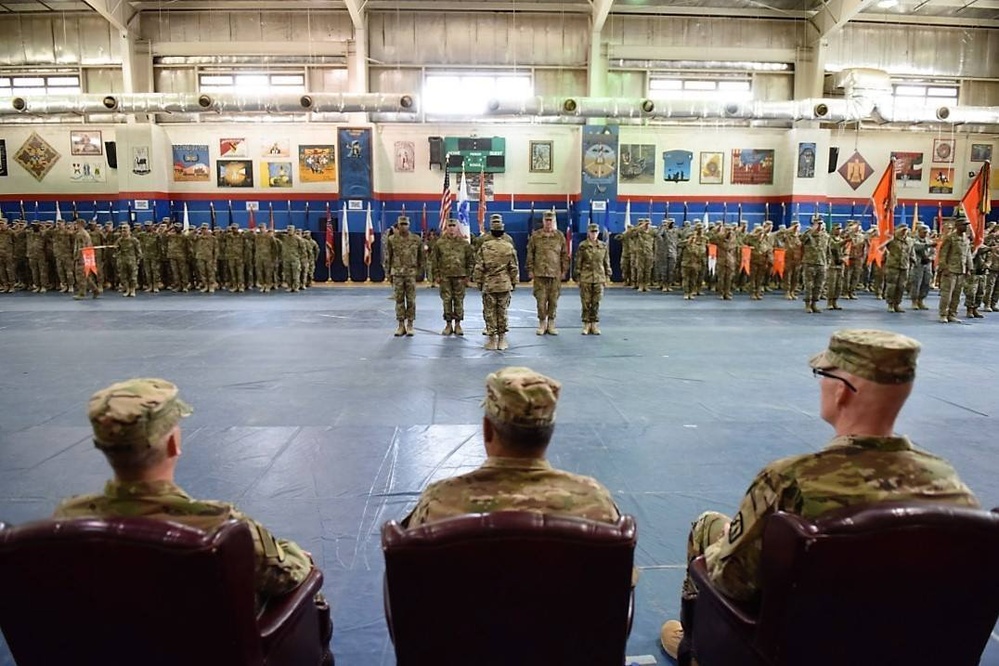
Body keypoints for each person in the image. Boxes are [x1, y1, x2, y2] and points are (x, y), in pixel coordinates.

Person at [659, 329, 980, 663]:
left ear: (841, 391)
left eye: (822, 374)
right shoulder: (951, 486)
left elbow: (732, 582)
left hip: (800, 648)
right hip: (907, 646)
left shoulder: (789, 481)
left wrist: (726, 545)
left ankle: (695, 649)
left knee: (710, 527)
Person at [53, 378, 316, 609]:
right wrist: (294, 555)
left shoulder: (66, 521)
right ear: (172, 443)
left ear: (103, 446)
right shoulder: (218, 525)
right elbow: (287, 575)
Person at [402, 366, 620, 527]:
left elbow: (407, 573)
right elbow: (617, 579)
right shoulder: (593, 502)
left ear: (487, 430)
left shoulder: (440, 502)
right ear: (549, 433)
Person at [473, 214, 519, 351]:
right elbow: (514, 267)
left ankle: (492, 340)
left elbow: (479, 266)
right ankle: (502, 340)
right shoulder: (508, 246)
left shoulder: (485, 246)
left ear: (491, 231)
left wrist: (479, 282)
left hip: (489, 284)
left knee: (489, 312)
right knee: (502, 311)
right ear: (502, 232)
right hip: (504, 284)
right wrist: (514, 283)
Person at [526, 210, 568, 335]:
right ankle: (542, 323)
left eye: (551, 220)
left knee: (553, 300)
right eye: (546, 220)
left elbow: (564, 254)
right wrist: (530, 269)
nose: (549, 223)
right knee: (541, 301)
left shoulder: (559, 236)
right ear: (543, 221)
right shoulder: (536, 236)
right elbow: (530, 253)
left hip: (555, 274)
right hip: (540, 274)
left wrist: (564, 270)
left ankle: (551, 323)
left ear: (554, 221)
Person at [383, 215, 425, 336]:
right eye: (401, 224)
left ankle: (410, 324)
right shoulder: (391, 239)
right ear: (398, 225)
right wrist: (388, 273)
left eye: (405, 224)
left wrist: (420, 272)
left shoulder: (416, 239)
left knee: (411, 300)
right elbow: (388, 257)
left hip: (411, 274)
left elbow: (421, 257)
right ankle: (401, 325)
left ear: (409, 225)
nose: (403, 226)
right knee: (399, 300)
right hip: (397, 274)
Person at [433, 218, 474, 335]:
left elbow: (470, 260)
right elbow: (434, 260)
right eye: (449, 225)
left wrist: (468, 275)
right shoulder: (439, 243)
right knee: (446, 300)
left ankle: (458, 324)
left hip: (460, 276)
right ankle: (448, 324)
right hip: (445, 276)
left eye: (453, 225)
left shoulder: (464, 244)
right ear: (446, 227)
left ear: (457, 228)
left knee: (459, 300)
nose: (451, 228)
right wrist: (436, 275)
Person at [574, 222, 612, 334]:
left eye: (595, 232)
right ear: (588, 233)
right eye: (592, 232)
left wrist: (607, 276)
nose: (594, 234)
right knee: (586, 302)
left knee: (596, 302)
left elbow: (606, 262)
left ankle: (594, 324)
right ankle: (586, 324)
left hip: (599, 277)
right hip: (586, 277)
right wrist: (577, 277)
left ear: (598, 233)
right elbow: (578, 262)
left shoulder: (603, 246)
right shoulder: (583, 246)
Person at [937, 218, 972, 323]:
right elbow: (942, 254)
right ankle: (943, 314)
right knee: (947, 294)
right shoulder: (950, 238)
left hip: (961, 270)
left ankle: (952, 314)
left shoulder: (966, 238)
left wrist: (969, 268)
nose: (966, 227)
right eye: (963, 225)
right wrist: (945, 268)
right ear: (957, 226)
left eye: (966, 225)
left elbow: (968, 254)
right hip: (950, 270)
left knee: (957, 294)